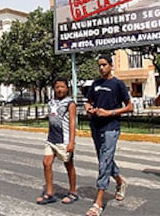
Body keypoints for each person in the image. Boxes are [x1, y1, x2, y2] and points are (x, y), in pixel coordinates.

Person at [84, 54, 133, 216]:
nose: (101, 68)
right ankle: (120, 182)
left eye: (104, 65)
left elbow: (130, 107)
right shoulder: (96, 84)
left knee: (104, 162)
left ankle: (98, 202)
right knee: (104, 158)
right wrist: (89, 108)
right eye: (99, 65)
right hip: (95, 126)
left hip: (111, 126)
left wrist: (110, 112)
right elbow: (89, 101)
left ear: (111, 65)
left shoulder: (118, 84)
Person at [36, 77, 78, 205]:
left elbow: (72, 122)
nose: (59, 89)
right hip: (51, 139)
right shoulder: (52, 102)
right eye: (57, 87)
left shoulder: (70, 103)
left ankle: (73, 192)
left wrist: (71, 142)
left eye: (62, 87)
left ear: (67, 88)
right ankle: (49, 193)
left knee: (68, 164)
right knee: (46, 163)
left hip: (64, 139)